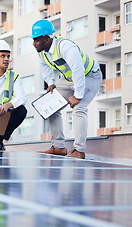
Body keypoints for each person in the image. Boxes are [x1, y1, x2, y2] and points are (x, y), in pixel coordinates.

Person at [30, 19, 102, 159]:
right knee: (50, 106)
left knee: (79, 107)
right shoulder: (42, 52)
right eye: (33, 40)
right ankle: (58, 147)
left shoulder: (65, 46)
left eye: (36, 40)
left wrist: (78, 95)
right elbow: (45, 69)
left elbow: (78, 69)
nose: (33, 43)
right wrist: (51, 83)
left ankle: (79, 151)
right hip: (69, 80)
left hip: (90, 76)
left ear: (46, 39)